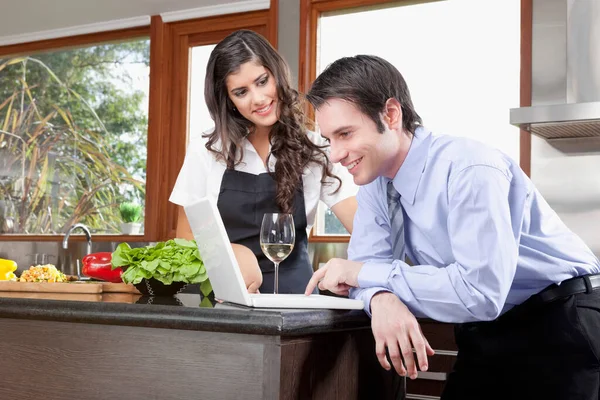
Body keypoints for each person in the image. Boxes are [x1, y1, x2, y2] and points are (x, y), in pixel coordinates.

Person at [304, 54, 600, 400]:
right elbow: (369, 267)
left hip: (561, 322)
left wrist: (364, 275)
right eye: (329, 139)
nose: (336, 154)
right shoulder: (374, 186)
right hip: (485, 330)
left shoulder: (469, 169)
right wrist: (382, 299)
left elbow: (480, 292)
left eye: (345, 134)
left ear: (391, 114)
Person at [170, 30, 357, 294]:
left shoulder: (316, 149)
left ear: (276, 74)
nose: (258, 99)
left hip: (296, 300)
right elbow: (184, 240)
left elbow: (362, 228)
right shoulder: (207, 152)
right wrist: (230, 252)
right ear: (228, 100)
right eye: (241, 92)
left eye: (262, 81)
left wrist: (356, 271)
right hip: (226, 298)